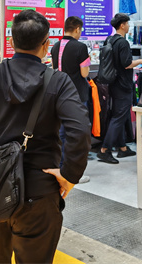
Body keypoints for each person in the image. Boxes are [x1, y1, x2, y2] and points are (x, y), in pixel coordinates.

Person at [0, 9, 90, 263]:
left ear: (11, 42)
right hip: (39, 187)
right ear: (46, 45)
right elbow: (79, 130)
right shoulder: (59, 82)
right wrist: (70, 175)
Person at [97, 13, 142, 164]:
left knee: (119, 115)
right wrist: (141, 61)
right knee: (119, 116)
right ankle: (105, 149)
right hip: (123, 84)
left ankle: (122, 147)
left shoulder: (110, 39)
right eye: (128, 23)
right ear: (122, 25)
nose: (129, 26)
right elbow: (126, 64)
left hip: (113, 83)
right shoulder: (123, 43)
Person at [51, 16, 91, 179]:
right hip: (77, 94)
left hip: (59, 94)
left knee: (61, 132)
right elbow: (84, 73)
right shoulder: (80, 47)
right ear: (77, 29)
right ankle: (73, 172)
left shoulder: (55, 46)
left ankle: (61, 166)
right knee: (78, 132)